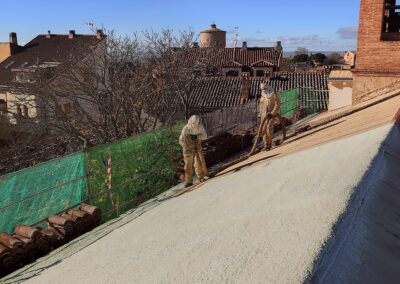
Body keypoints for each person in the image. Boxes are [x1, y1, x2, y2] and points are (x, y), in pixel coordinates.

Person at [179, 115, 209, 187]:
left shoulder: (200, 126)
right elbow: (181, 140)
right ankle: (189, 181)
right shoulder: (186, 128)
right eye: (194, 124)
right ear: (191, 123)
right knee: (188, 165)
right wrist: (186, 146)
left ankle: (202, 176)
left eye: (197, 124)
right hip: (188, 148)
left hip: (197, 145)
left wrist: (197, 136)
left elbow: (205, 136)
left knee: (199, 161)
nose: (196, 125)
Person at [259, 83, 281, 151]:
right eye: (262, 89)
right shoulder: (262, 95)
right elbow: (261, 105)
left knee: (269, 129)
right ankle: (265, 144)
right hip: (263, 115)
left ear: (267, 87)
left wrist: (273, 113)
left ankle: (268, 144)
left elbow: (277, 104)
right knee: (263, 130)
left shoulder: (273, 94)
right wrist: (260, 114)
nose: (264, 90)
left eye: (265, 89)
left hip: (270, 115)